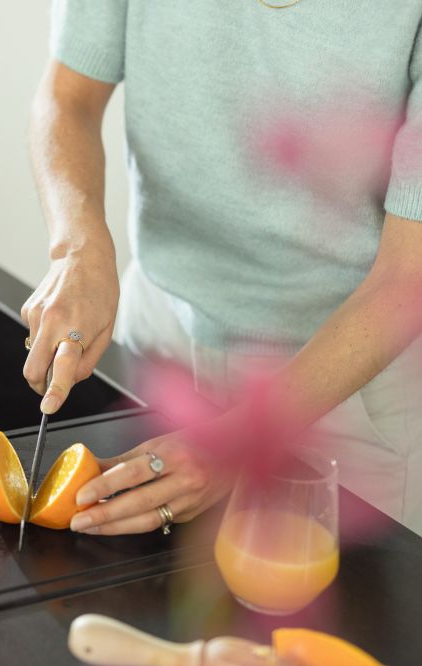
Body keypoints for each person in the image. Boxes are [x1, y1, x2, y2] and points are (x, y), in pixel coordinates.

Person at [23, 0, 422, 537]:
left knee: (336, 616)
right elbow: (68, 97)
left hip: (344, 386)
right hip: (159, 339)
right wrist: (78, 248)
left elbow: (408, 276)